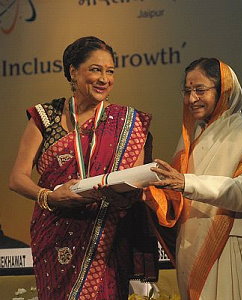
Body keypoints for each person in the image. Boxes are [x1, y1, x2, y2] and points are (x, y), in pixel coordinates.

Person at [8, 36, 158, 300]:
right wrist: (50, 197)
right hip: (55, 232)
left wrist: (123, 194)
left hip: (107, 236)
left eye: (110, 71)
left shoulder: (129, 124)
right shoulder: (46, 117)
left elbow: (135, 183)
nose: (104, 79)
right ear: (73, 71)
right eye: (95, 69)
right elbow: (17, 178)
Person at [143, 58, 242, 300]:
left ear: (225, 91)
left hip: (241, 252)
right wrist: (150, 191)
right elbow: (179, 198)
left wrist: (185, 183)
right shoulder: (192, 139)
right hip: (197, 249)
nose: (192, 99)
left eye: (200, 90)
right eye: (188, 91)